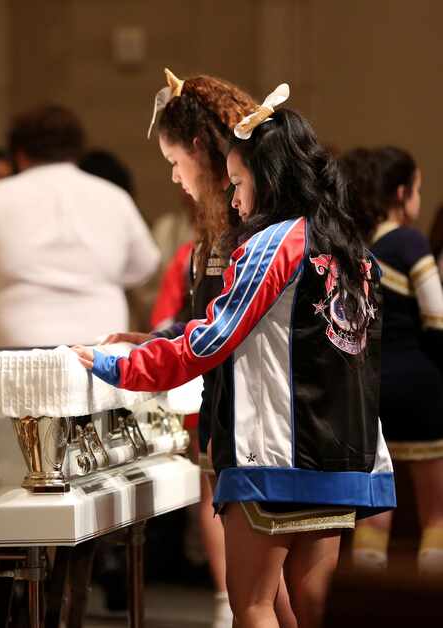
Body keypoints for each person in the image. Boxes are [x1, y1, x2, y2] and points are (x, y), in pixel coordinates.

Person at [74, 90, 396, 628]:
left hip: (275, 453)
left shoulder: (275, 242)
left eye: (240, 182)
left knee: (252, 604)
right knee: (312, 612)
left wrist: (114, 367)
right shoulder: (354, 250)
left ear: (268, 180)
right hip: (347, 456)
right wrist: (156, 339)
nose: (233, 195)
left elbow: (211, 340)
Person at [104, 68, 276, 628]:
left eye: (176, 164)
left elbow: (224, 327)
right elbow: (205, 320)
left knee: (266, 599)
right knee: (271, 599)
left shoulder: (254, 227)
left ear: (203, 150)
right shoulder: (218, 227)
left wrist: (125, 362)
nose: (176, 179)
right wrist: (158, 339)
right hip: (239, 411)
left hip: (270, 420)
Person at [342, 146, 443, 573]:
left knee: (374, 523)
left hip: (371, 391)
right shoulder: (410, 241)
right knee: (436, 518)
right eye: (417, 189)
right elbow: (437, 317)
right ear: (401, 193)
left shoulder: (354, 247)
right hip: (421, 388)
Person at [0, 104, 160, 348]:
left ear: (19, 153)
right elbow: (145, 264)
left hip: (16, 335)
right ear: (76, 150)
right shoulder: (112, 196)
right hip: (100, 337)